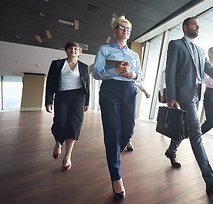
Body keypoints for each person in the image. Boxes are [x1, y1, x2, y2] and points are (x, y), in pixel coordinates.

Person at [164, 17, 213, 200]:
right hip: (183, 95)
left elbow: (210, 71)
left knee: (185, 128)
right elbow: (170, 70)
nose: (198, 27)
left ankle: (171, 150)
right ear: (185, 27)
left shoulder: (200, 51)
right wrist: (171, 96)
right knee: (196, 133)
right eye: (194, 24)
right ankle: (211, 181)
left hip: (198, 95)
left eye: (198, 25)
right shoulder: (176, 45)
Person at [93, 15, 143, 199]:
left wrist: (132, 75)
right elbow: (97, 74)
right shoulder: (104, 49)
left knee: (128, 131)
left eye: (128, 29)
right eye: (121, 28)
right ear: (114, 31)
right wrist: (116, 70)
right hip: (110, 90)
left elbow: (141, 76)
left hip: (129, 90)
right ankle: (116, 177)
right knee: (112, 133)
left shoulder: (134, 55)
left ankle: (113, 155)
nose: (125, 31)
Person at [45, 41, 89, 171]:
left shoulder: (84, 67)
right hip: (62, 96)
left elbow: (87, 86)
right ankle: (58, 143)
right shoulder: (57, 64)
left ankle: (67, 156)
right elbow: (50, 83)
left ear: (80, 52)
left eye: (76, 49)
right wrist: (48, 101)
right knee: (60, 123)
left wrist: (87, 102)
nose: (73, 50)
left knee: (75, 125)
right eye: (71, 48)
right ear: (66, 50)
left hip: (78, 97)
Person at [125, 81, 150, 152]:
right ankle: (122, 141)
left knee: (129, 121)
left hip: (129, 95)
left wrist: (145, 92)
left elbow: (138, 81)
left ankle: (128, 140)